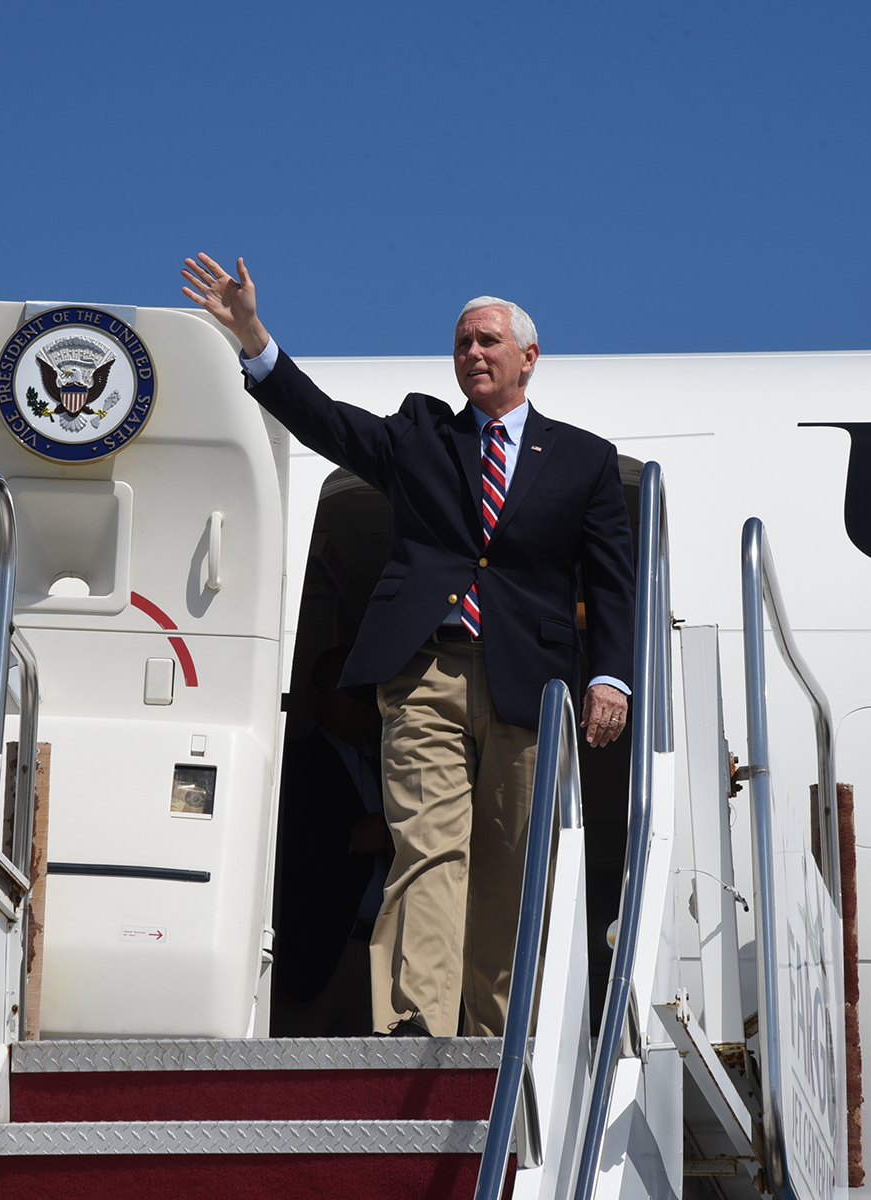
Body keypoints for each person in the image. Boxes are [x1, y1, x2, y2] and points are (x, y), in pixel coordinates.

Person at [183, 254, 635, 1038]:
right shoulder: (421, 435)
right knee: (426, 848)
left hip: (531, 682)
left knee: (511, 867)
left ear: (529, 356)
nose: (472, 353)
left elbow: (613, 579)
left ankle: (498, 1042)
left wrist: (611, 678)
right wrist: (253, 336)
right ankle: (416, 1028)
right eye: (462, 343)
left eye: (487, 341)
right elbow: (324, 420)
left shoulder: (583, 458)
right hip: (426, 672)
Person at [270, 646, 391, 1036]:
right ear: (314, 696)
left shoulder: (393, 768)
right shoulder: (292, 761)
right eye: (346, 684)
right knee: (291, 1065)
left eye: (366, 686)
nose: (359, 696)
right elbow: (275, 848)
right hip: (313, 956)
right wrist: (348, 840)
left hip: (380, 954)